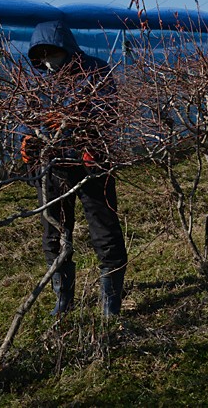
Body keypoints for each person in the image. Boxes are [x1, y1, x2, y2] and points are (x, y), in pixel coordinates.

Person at [20, 20, 128, 317]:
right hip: (53, 166)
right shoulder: (36, 79)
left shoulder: (95, 71)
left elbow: (107, 111)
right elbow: (26, 116)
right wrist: (27, 139)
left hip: (91, 163)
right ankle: (63, 296)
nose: (47, 62)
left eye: (52, 54)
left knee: (104, 230)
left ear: (66, 48)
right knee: (54, 233)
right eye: (40, 56)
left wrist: (79, 131)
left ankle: (111, 301)